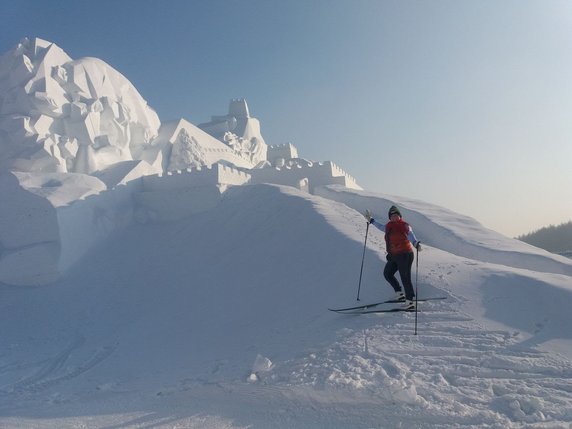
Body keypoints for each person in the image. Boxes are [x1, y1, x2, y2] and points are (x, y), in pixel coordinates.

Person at [365, 205, 422, 310]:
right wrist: (371, 220)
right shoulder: (389, 226)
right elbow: (381, 227)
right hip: (394, 255)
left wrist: (415, 243)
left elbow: (410, 234)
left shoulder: (404, 225)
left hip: (405, 255)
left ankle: (410, 301)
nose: (394, 217)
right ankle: (400, 294)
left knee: (405, 278)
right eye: (392, 216)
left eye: (396, 215)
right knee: (387, 273)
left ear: (400, 216)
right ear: (389, 217)